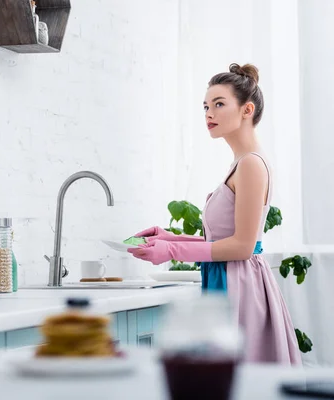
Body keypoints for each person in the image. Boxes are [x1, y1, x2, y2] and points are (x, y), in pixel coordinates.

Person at [129, 63, 301, 365]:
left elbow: (243, 247)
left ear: (247, 110)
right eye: (206, 106)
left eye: (219, 104)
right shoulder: (242, 163)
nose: (209, 113)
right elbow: (225, 238)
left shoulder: (250, 164)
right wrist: (169, 236)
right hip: (231, 277)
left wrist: (172, 250)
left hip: (241, 284)